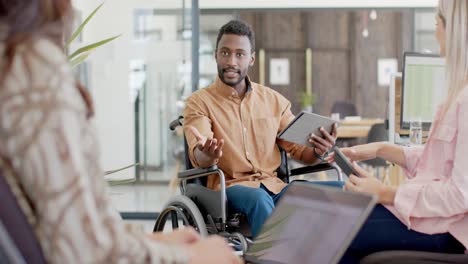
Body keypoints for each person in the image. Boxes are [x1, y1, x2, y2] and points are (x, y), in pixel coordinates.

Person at [0, 1, 239, 263]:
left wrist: (151, 241)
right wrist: (190, 258)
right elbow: (84, 252)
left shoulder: (13, 60)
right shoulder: (31, 69)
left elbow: (73, 233)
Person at [328, 0, 468, 262]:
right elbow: (438, 162)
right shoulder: (458, 92)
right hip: (433, 218)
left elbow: (461, 195)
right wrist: (381, 149)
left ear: (455, 29)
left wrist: (387, 193)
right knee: (338, 214)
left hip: (449, 229)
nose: (435, 29)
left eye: (438, 22)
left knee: (338, 228)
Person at [184, 20, 339, 237]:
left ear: (251, 59)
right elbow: (199, 155)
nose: (231, 61)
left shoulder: (274, 101)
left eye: (239, 54)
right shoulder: (199, 102)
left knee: (340, 192)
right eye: (225, 53)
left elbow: (301, 153)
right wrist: (207, 153)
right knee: (258, 199)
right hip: (229, 189)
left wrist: (318, 150)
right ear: (216, 55)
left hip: (274, 186)